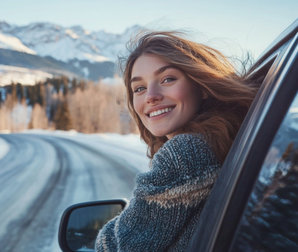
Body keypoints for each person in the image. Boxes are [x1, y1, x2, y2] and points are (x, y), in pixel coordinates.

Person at [95, 31, 257, 251]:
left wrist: (105, 235)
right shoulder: (224, 141)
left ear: (201, 87)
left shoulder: (186, 152)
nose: (151, 96)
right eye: (139, 88)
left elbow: (121, 247)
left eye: (167, 79)